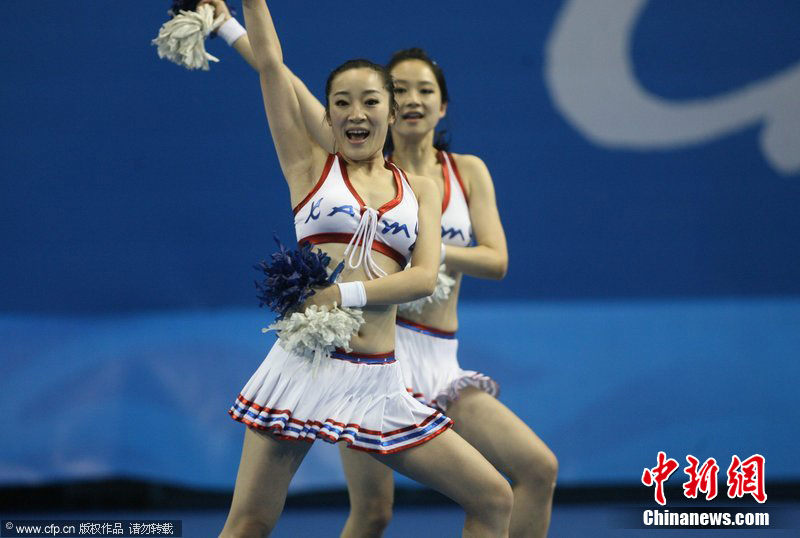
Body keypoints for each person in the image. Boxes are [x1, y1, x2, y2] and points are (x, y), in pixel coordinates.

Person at [218, 1, 513, 536]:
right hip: (304, 369)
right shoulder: (308, 167)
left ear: (390, 113)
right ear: (328, 116)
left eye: (370, 101)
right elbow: (272, 65)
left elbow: (423, 277)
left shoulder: (421, 189)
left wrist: (339, 295)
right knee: (250, 522)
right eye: (342, 103)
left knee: (493, 498)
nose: (356, 112)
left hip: (379, 382)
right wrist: (246, 10)